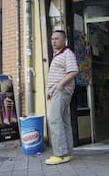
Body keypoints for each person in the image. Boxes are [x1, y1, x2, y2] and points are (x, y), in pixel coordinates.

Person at [45, 30, 78, 165]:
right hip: (57, 91)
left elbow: (74, 71)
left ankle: (60, 154)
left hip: (62, 91)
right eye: (52, 39)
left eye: (57, 39)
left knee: (54, 120)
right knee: (64, 122)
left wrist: (59, 85)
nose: (53, 41)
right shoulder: (57, 54)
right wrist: (50, 90)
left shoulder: (67, 53)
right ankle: (67, 152)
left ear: (64, 40)